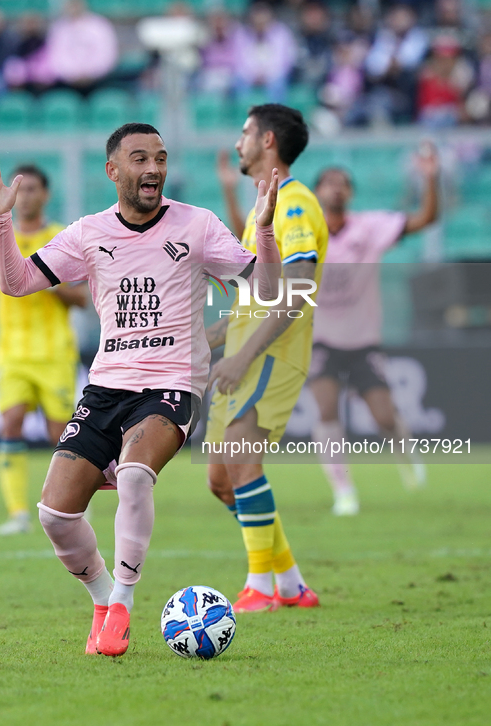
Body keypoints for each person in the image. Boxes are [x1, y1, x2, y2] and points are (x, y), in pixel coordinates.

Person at [0, 122, 282, 656]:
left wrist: (265, 232)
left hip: (171, 385)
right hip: (105, 389)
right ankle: (99, 598)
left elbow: (269, 289)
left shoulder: (198, 225)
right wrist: (1, 218)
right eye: (140, 159)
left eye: (160, 158)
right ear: (113, 171)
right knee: (54, 514)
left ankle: (121, 604)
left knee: (137, 475)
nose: (154, 169)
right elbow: (15, 282)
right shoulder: (89, 233)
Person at [205, 104, 328, 614]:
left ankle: (260, 586)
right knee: (220, 479)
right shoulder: (266, 208)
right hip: (248, 351)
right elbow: (252, 301)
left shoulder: (293, 205)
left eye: (245, 132)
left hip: (271, 355)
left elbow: (295, 294)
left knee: (240, 458)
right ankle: (293, 585)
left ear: (269, 140)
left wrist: (241, 357)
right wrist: (202, 338)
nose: (239, 142)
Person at [310, 148, 439, 516]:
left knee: (384, 417)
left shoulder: (370, 227)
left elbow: (427, 218)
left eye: (343, 184)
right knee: (326, 410)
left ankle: (407, 456)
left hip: (363, 340)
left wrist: (430, 177)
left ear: (350, 193)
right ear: (316, 191)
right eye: (329, 183)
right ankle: (344, 492)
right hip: (321, 339)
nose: (336, 189)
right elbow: (251, 232)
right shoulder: (302, 233)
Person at [0, 164, 86, 536]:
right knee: (10, 422)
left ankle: (70, 506)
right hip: (11, 352)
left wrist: (47, 283)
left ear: (46, 195)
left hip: (54, 353)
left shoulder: (60, 238)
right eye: (21, 190)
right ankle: (18, 512)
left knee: (60, 433)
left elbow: (82, 298)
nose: (26, 197)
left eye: (33, 189)